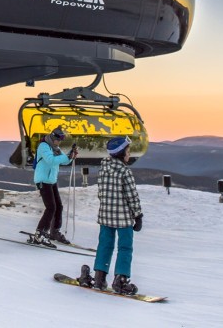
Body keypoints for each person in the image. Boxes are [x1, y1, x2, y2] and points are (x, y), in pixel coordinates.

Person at [79, 136, 143, 295]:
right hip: (123, 218)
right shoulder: (124, 171)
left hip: (105, 216)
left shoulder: (103, 169)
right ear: (122, 153)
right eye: (128, 151)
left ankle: (100, 277)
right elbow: (131, 195)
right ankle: (120, 279)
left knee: (105, 245)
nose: (129, 154)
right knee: (125, 247)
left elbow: (101, 193)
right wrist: (138, 215)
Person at [29, 126, 78, 247]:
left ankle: (54, 231)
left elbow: (63, 161)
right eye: (59, 139)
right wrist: (66, 157)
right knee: (51, 207)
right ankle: (39, 234)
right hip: (42, 180)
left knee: (58, 206)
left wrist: (70, 156)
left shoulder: (55, 148)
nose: (60, 142)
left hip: (51, 180)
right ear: (53, 137)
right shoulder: (43, 146)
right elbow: (50, 160)